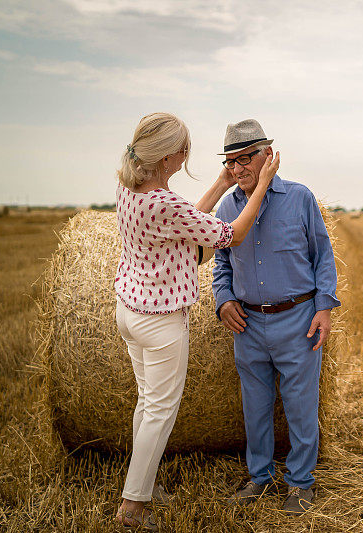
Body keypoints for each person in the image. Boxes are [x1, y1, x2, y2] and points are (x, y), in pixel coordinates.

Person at [113, 112, 279, 530]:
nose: (187, 155)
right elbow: (231, 234)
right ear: (169, 157)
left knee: (146, 403)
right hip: (161, 321)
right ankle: (133, 507)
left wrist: (223, 184)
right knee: (160, 411)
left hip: (129, 312)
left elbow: (186, 223)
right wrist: (260, 186)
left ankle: (142, 483)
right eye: (184, 149)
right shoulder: (164, 203)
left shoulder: (129, 190)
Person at [212, 119, 340, 515]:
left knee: (301, 407)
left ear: (268, 155)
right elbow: (220, 261)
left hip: (297, 320)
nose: (238, 169)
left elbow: (323, 256)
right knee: (255, 406)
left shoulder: (299, 198)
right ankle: (260, 477)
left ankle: (301, 483)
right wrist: (223, 298)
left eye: (245, 158)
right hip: (248, 324)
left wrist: (323, 307)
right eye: (231, 162)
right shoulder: (227, 206)